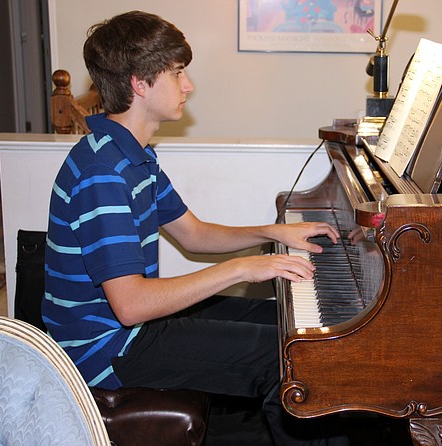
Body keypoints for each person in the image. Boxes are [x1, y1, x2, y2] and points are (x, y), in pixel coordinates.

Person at [42, 10, 348, 445]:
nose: (188, 86)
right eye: (177, 73)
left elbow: (194, 234)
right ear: (139, 83)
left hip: (127, 329)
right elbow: (130, 305)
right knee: (294, 359)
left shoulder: (133, 155)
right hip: (106, 349)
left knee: (286, 321)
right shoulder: (103, 171)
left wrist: (271, 233)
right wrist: (243, 269)